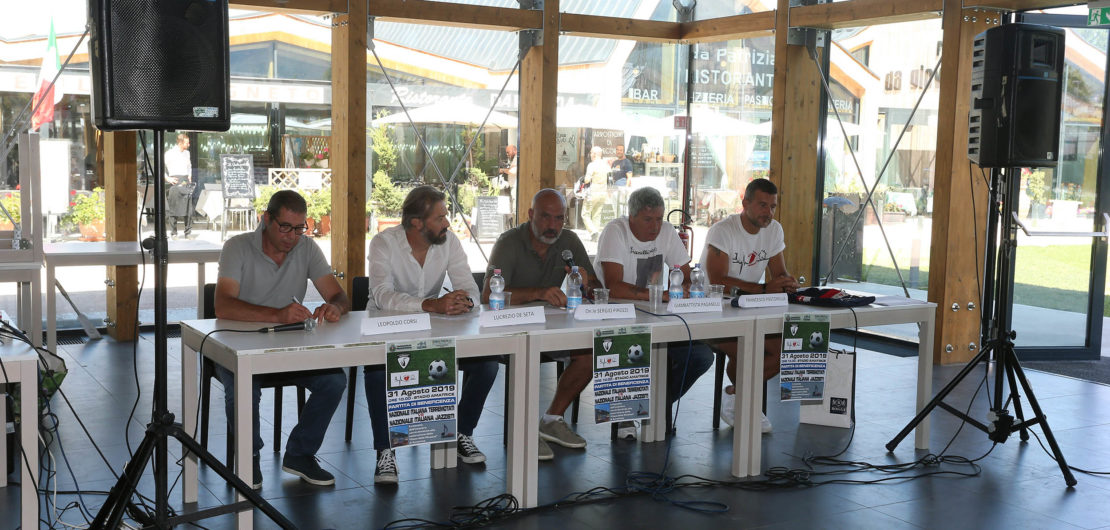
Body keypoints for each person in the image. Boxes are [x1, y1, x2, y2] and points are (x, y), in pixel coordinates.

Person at [213, 189, 350, 488]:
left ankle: (300, 454)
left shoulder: (307, 248)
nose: (292, 236)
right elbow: (223, 305)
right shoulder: (237, 246)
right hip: (238, 345)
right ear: (266, 219)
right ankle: (248, 457)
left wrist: (335, 307)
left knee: (334, 381)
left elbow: (338, 294)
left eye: (299, 228)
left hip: (289, 346)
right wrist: (276, 315)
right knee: (243, 385)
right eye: (285, 227)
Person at [364, 186, 497, 485]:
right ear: (416, 223)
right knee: (375, 369)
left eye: (446, 216)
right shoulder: (384, 243)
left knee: (487, 363)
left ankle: (461, 431)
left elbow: (470, 285)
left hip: (435, 328)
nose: (447, 223)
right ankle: (385, 451)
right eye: (440, 218)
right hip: (386, 326)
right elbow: (382, 295)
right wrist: (430, 305)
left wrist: (465, 301)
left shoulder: (448, 242)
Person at [482, 189, 601, 461]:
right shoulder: (509, 242)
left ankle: (551, 419)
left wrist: (586, 282)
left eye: (559, 218)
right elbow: (488, 296)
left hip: (556, 327)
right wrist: (539, 292)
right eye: (546, 217)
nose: (553, 226)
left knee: (591, 353)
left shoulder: (569, 241)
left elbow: (595, 289)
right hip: (512, 329)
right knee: (526, 352)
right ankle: (522, 432)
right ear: (530, 215)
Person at [593, 187, 714, 439]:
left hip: (658, 316)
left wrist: (693, 286)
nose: (655, 226)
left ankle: (658, 404)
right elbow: (612, 285)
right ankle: (627, 412)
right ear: (631, 217)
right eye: (648, 219)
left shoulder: (667, 232)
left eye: (659, 219)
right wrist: (657, 295)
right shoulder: (616, 231)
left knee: (701, 355)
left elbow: (687, 272)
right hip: (616, 315)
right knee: (632, 351)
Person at [701, 178, 800, 433]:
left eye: (773, 207)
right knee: (747, 348)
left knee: (787, 350)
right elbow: (718, 282)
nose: (768, 212)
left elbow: (779, 274)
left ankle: (736, 395)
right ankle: (743, 403)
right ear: (745, 203)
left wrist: (787, 284)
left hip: (750, 308)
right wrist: (766, 289)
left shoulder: (774, 230)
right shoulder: (723, 231)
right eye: (762, 205)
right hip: (709, 314)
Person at [164, 133, 194, 238]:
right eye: (187, 142)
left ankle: (188, 233)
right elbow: (159, 167)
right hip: (175, 181)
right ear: (180, 143)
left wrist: (189, 175)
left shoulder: (187, 153)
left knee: (188, 209)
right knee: (174, 208)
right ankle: (174, 233)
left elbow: (189, 166)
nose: (189, 144)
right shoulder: (169, 153)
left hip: (185, 181)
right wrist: (167, 178)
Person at [581, 146, 611, 237]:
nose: (590, 155)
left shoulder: (592, 165)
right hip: (603, 193)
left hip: (593, 193)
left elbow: (587, 180)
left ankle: (593, 231)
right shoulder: (606, 165)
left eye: (591, 153)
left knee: (585, 213)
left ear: (594, 154)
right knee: (597, 214)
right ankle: (596, 235)